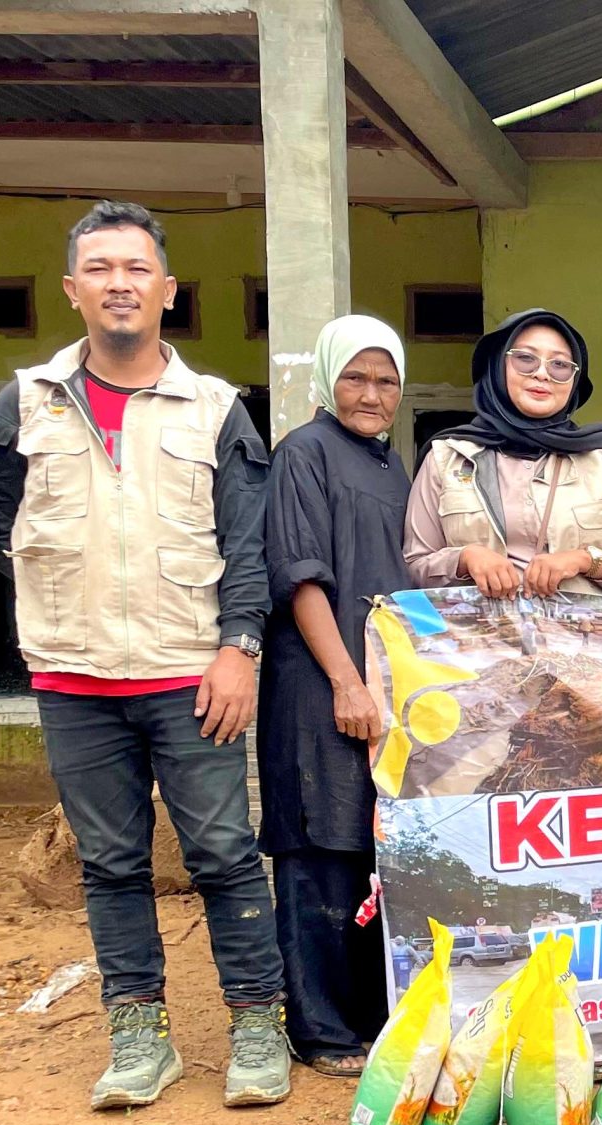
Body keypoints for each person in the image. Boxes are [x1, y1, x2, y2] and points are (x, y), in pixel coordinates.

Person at [0, 200, 289, 1111]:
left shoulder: (216, 409)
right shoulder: (21, 403)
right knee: (110, 864)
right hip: (75, 678)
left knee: (222, 853)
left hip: (191, 672)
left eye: (136, 269)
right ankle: (139, 1037)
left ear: (167, 290)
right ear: (73, 290)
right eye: (99, 268)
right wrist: (67, 585)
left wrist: (239, 648)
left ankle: (259, 1026)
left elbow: (246, 547)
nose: (119, 284)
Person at [259, 315, 412, 1078]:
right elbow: (300, 574)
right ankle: (318, 1029)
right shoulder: (304, 454)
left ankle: (366, 1017)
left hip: (382, 693)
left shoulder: (392, 467)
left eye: (386, 381)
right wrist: (346, 680)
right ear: (327, 380)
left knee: (367, 851)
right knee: (318, 848)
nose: (371, 394)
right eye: (356, 377)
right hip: (320, 687)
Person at [401, 309, 602, 599]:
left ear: (574, 380)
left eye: (559, 365)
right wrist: (464, 559)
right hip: (477, 640)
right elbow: (413, 564)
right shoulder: (448, 457)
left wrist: (586, 560)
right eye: (525, 359)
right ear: (497, 365)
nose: (542, 374)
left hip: (580, 639)